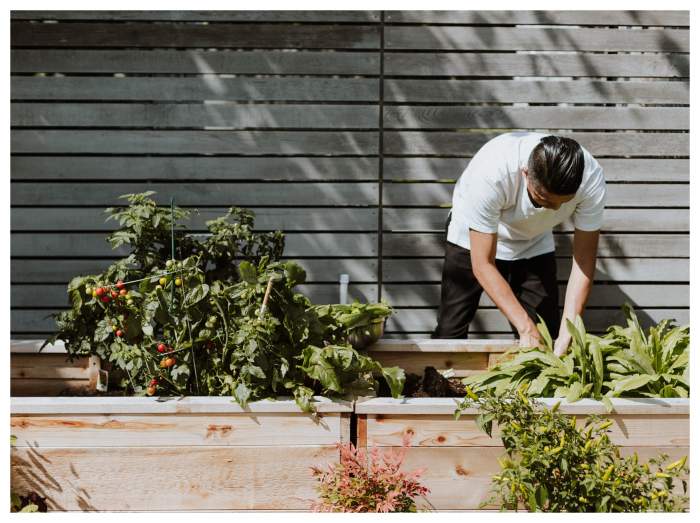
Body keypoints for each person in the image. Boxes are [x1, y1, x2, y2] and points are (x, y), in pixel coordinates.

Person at [432, 132, 606, 356]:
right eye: (542, 200)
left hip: (533, 240)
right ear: (525, 173)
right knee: (450, 332)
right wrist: (525, 328)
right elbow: (483, 264)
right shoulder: (491, 173)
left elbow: (583, 260)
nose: (553, 209)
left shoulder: (590, 178)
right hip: (471, 238)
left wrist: (568, 331)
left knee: (546, 336)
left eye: (562, 204)